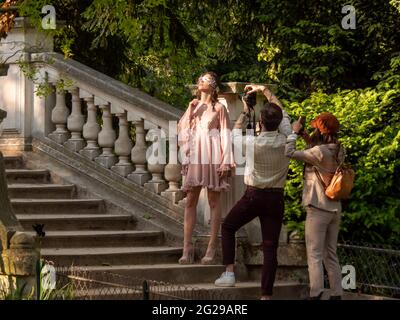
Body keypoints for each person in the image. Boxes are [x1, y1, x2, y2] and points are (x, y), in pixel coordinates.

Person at [214, 84, 291, 300]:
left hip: (253, 195)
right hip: (276, 198)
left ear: (261, 122)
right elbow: (282, 112)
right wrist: (265, 90)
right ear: (278, 122)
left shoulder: (252, 143)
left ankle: (229, 272)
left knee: (228, 226)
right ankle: (266, 295)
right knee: (270, 247)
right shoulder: (287, 141)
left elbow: (234, 133)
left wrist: (244, 114)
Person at [285, 112, 344, 300]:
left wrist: (294, 133)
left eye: (314, 128)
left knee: (314, 253)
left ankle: (316, 293)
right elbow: (316, 149)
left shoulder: (319, 152)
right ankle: (336, 293)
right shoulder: (339, 149)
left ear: (320, 130)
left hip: (318, 207)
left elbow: (289, 153)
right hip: (335, 208)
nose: (312, 130)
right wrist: (305, 136)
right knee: (331, 253)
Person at [177, 71, 235, 265]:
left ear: (213, 86)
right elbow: (181, 129)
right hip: (195, 155)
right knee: (190, 199)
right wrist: (191, 111)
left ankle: (211, 247)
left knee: (213, 200)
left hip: (212, 155)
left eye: (207, 79)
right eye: (201, 78)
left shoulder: (219, 108)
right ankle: (187, 247)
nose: (203, 81)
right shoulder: (193, 105)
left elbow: (226, 134)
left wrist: (226, 160)